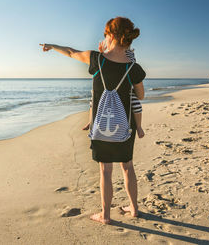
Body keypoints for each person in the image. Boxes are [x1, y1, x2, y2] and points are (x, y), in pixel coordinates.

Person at [39, 16, 146, 225]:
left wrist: (52, 46)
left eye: (106, 34)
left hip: (102, 126)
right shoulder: (134, 68)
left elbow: (71, 52)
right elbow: (140, 96)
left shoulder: (97, 59)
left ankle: (105, 215)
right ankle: (133, 208)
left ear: (111, 35)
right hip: (125, 125)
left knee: (105, 170)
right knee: (128, 166)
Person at [82, 45, 145, 139]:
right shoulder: (104, 54)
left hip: (124, 85)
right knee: (93, 101)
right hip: (107, 86)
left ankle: (139, 127)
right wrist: (102, 51)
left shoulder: (129, 53)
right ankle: (90, 121)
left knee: (136, 104)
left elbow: (131, 64)